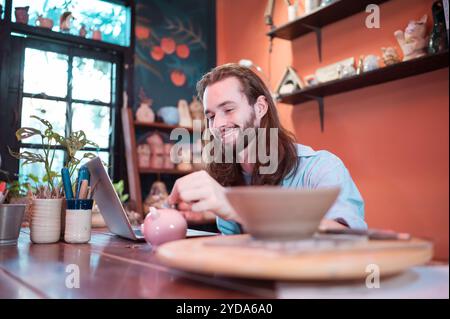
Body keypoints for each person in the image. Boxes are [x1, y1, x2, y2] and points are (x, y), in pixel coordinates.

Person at [167, 64, 367, 234]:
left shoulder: (321, 168)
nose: (218, 125)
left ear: (260, 108)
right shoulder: (226, 176)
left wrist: (237, 208)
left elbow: (348, 240)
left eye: (228, 110)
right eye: (210, 116)